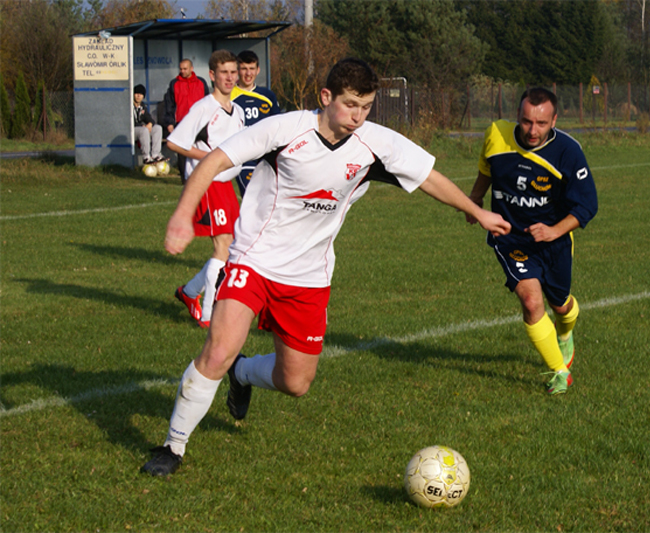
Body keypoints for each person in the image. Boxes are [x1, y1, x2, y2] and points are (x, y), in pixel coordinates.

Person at [140, 58, 511, 476]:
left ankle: (243, 373)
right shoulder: (284, 130)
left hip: (309, 275)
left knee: (295, 382)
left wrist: (476, 212)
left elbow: (428, 177)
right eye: (351, 104)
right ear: (326, 97)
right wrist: (181, 215)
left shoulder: (375, 143)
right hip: (254, 259)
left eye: (367, 106)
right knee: (218, 349)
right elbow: (213, 162)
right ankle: (173, 447)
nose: (358, 116)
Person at [466, 87, 597, 396]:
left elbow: (587, 205)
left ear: (554, 120)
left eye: (540, 123)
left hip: (554, 241)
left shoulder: (568, 151)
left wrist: (554, 231)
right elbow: (487, 168)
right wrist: (474, 199)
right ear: (518, 117)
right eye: (526, 122)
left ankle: (565, 335)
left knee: (560, 305)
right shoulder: (497, 134)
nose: (532, 131)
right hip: (509, 237)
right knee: (531, 301)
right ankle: (559, 373)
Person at [167, 50, 245, 329]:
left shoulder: (237, 111)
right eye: (224, 72)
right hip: (208, 183)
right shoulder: (203, 107)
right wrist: (209, 159)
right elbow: (174, 142)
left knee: (232, 248)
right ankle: (210, 317)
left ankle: (189, 293)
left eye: (233, 72)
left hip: (226, 185)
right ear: (212, 75)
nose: (230, 77)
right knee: (223, 246)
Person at [230, 50, 281, 196]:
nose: (248, 73)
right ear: (238, 70)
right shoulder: (229, 96)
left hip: (266, 156)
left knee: (269, 200)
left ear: (258, 70)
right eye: (244, 69)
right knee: (251, 198)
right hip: (243, 157)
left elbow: (278, 125)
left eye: (252, 69)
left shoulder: (268, 96)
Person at [163, 58, 210, 183]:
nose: (182, 71)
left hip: (201, 122)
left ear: (191, 69)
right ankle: (185, 179)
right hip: (182, 123)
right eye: (181, 69)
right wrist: (169, 123)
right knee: (182, 150)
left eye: (185, 69)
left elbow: (208, 102)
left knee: (207, 147)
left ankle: (209, 173)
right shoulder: (174, 84)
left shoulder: (201, 82)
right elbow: (170, 105)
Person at [132, 84, 165, 164]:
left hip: (141, 130)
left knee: (157, 128)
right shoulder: (129, 106)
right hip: (131, 131)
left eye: (141, 94)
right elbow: (129, 121)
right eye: (136, 93)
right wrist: (142, 126)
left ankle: (155, 155)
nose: (138, 96)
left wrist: (150, 123)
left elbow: (149, 118)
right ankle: (146, 157)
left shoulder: (142, 106)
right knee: (144, 130)